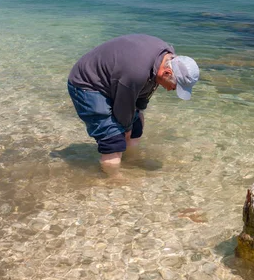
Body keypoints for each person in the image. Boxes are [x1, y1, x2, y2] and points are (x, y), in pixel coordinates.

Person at [67, 34, 200, 176]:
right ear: (167, 72)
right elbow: (123, 109)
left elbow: (146, 89)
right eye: (175, 86)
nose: (172, 89)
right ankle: (112, 181)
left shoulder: (166, 57)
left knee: (136, 126)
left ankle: (129, 162)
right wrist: (126, 127)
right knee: (113, 140)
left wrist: (137, 114)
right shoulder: (136, 72)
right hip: (88, 83)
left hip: (116, 80)